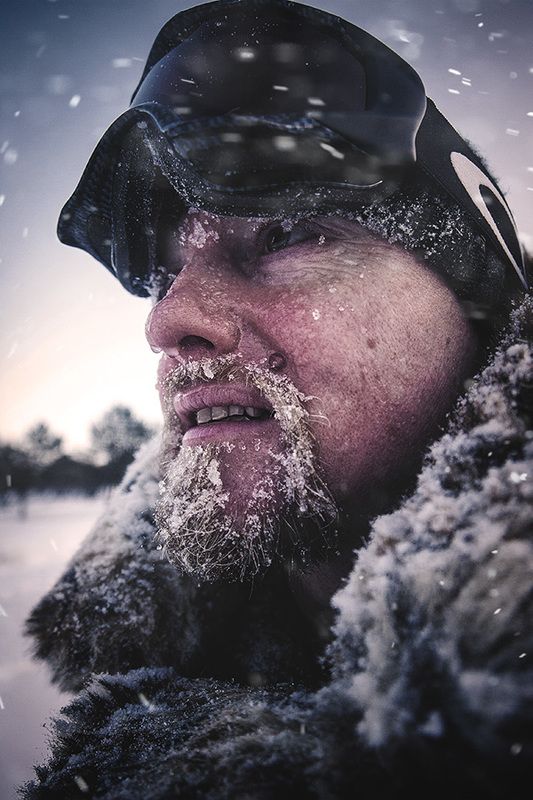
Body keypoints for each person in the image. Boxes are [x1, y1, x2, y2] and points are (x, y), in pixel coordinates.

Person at [22, 1, 533, 798]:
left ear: (481, 314)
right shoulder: (143, 698)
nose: (168, 320)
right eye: (164, 275)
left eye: (288, 232)